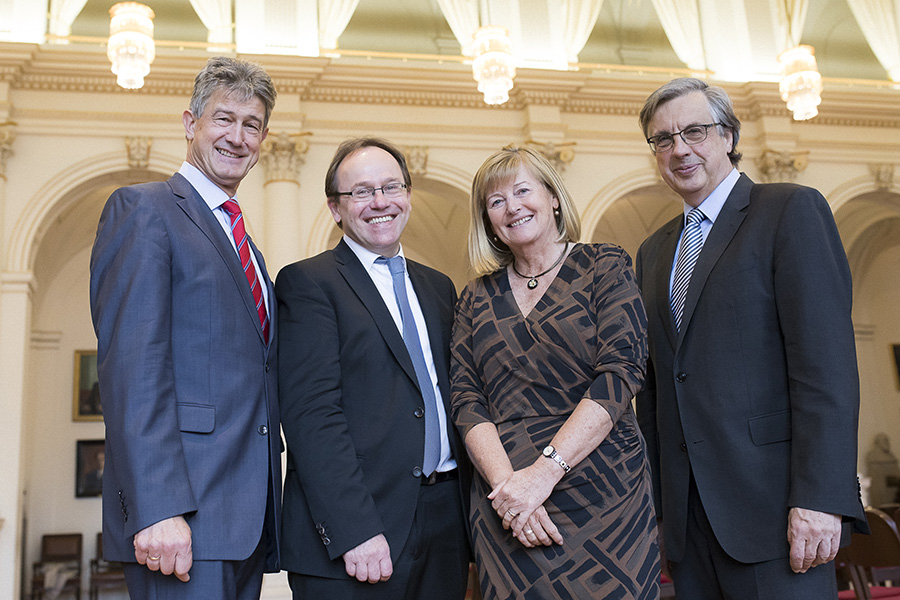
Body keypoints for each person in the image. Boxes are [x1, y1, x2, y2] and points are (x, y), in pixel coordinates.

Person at [634, 77, 868, 599]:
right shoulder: (652, 252)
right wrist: (658, 509)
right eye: (663, 139)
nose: (680, 149)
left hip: (780, 516)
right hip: (690, 526)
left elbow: (825, 367)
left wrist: (820, 498)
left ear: (729, 136)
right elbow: (653, 391)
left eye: (694, 131)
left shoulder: (789, 210)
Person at [90, 57, 281, 599]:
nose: (237, 137)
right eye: (224, 119)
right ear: (189, 122)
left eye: (252, 125)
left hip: (242, 521)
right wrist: (158, 507)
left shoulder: (249, 249)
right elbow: (132, 369)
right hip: (181, 518)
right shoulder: (144, 210)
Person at [451, 146, 659, 599]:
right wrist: (512, 491)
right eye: (496, 201)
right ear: (488, 220)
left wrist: (543, 475)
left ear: (553, 197)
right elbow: (466, 400)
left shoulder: (604, 265)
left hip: (604, 495)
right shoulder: (473, 297)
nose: (513, 207)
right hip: (504, 498)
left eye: (523, 190)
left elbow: (620, 372)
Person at [276, 137, 471, 599]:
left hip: (445, 522)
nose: (380, 202)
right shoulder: (308, 283)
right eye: (361, 192)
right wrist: (354, 531)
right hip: (358, 531)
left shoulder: (439, 287)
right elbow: (311, 419)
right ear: (335, 208)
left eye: (391, 187)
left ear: (407, 195)